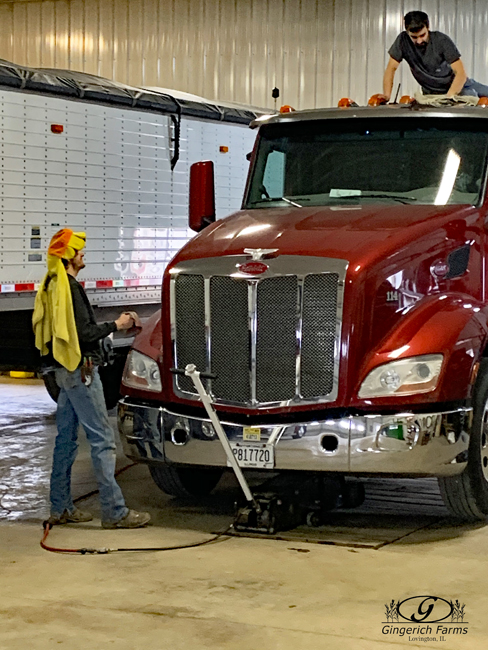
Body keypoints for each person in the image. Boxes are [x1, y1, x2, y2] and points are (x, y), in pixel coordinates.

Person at [33, 228, 151, 529]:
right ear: (70, 256)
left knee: (66, 441)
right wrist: (117, 324)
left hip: (64, 372)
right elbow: (83, 333)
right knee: (102, 440)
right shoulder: (69, 288)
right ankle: (114, 512)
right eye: (79, 250)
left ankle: (60, 508)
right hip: (81, 372)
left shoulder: (53, 285)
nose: (83, 254)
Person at [383, 10, 488, 101]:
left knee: (473, 96)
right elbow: (390, 69)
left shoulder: (441, 40)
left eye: (422, 35)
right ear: (407, 32)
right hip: (431, 93)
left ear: (428, 27)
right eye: (414, 37)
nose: (419, 41)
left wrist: (450, 96)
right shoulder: (402, 41)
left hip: (457, 85)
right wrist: (387, 96)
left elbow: (460, 73)